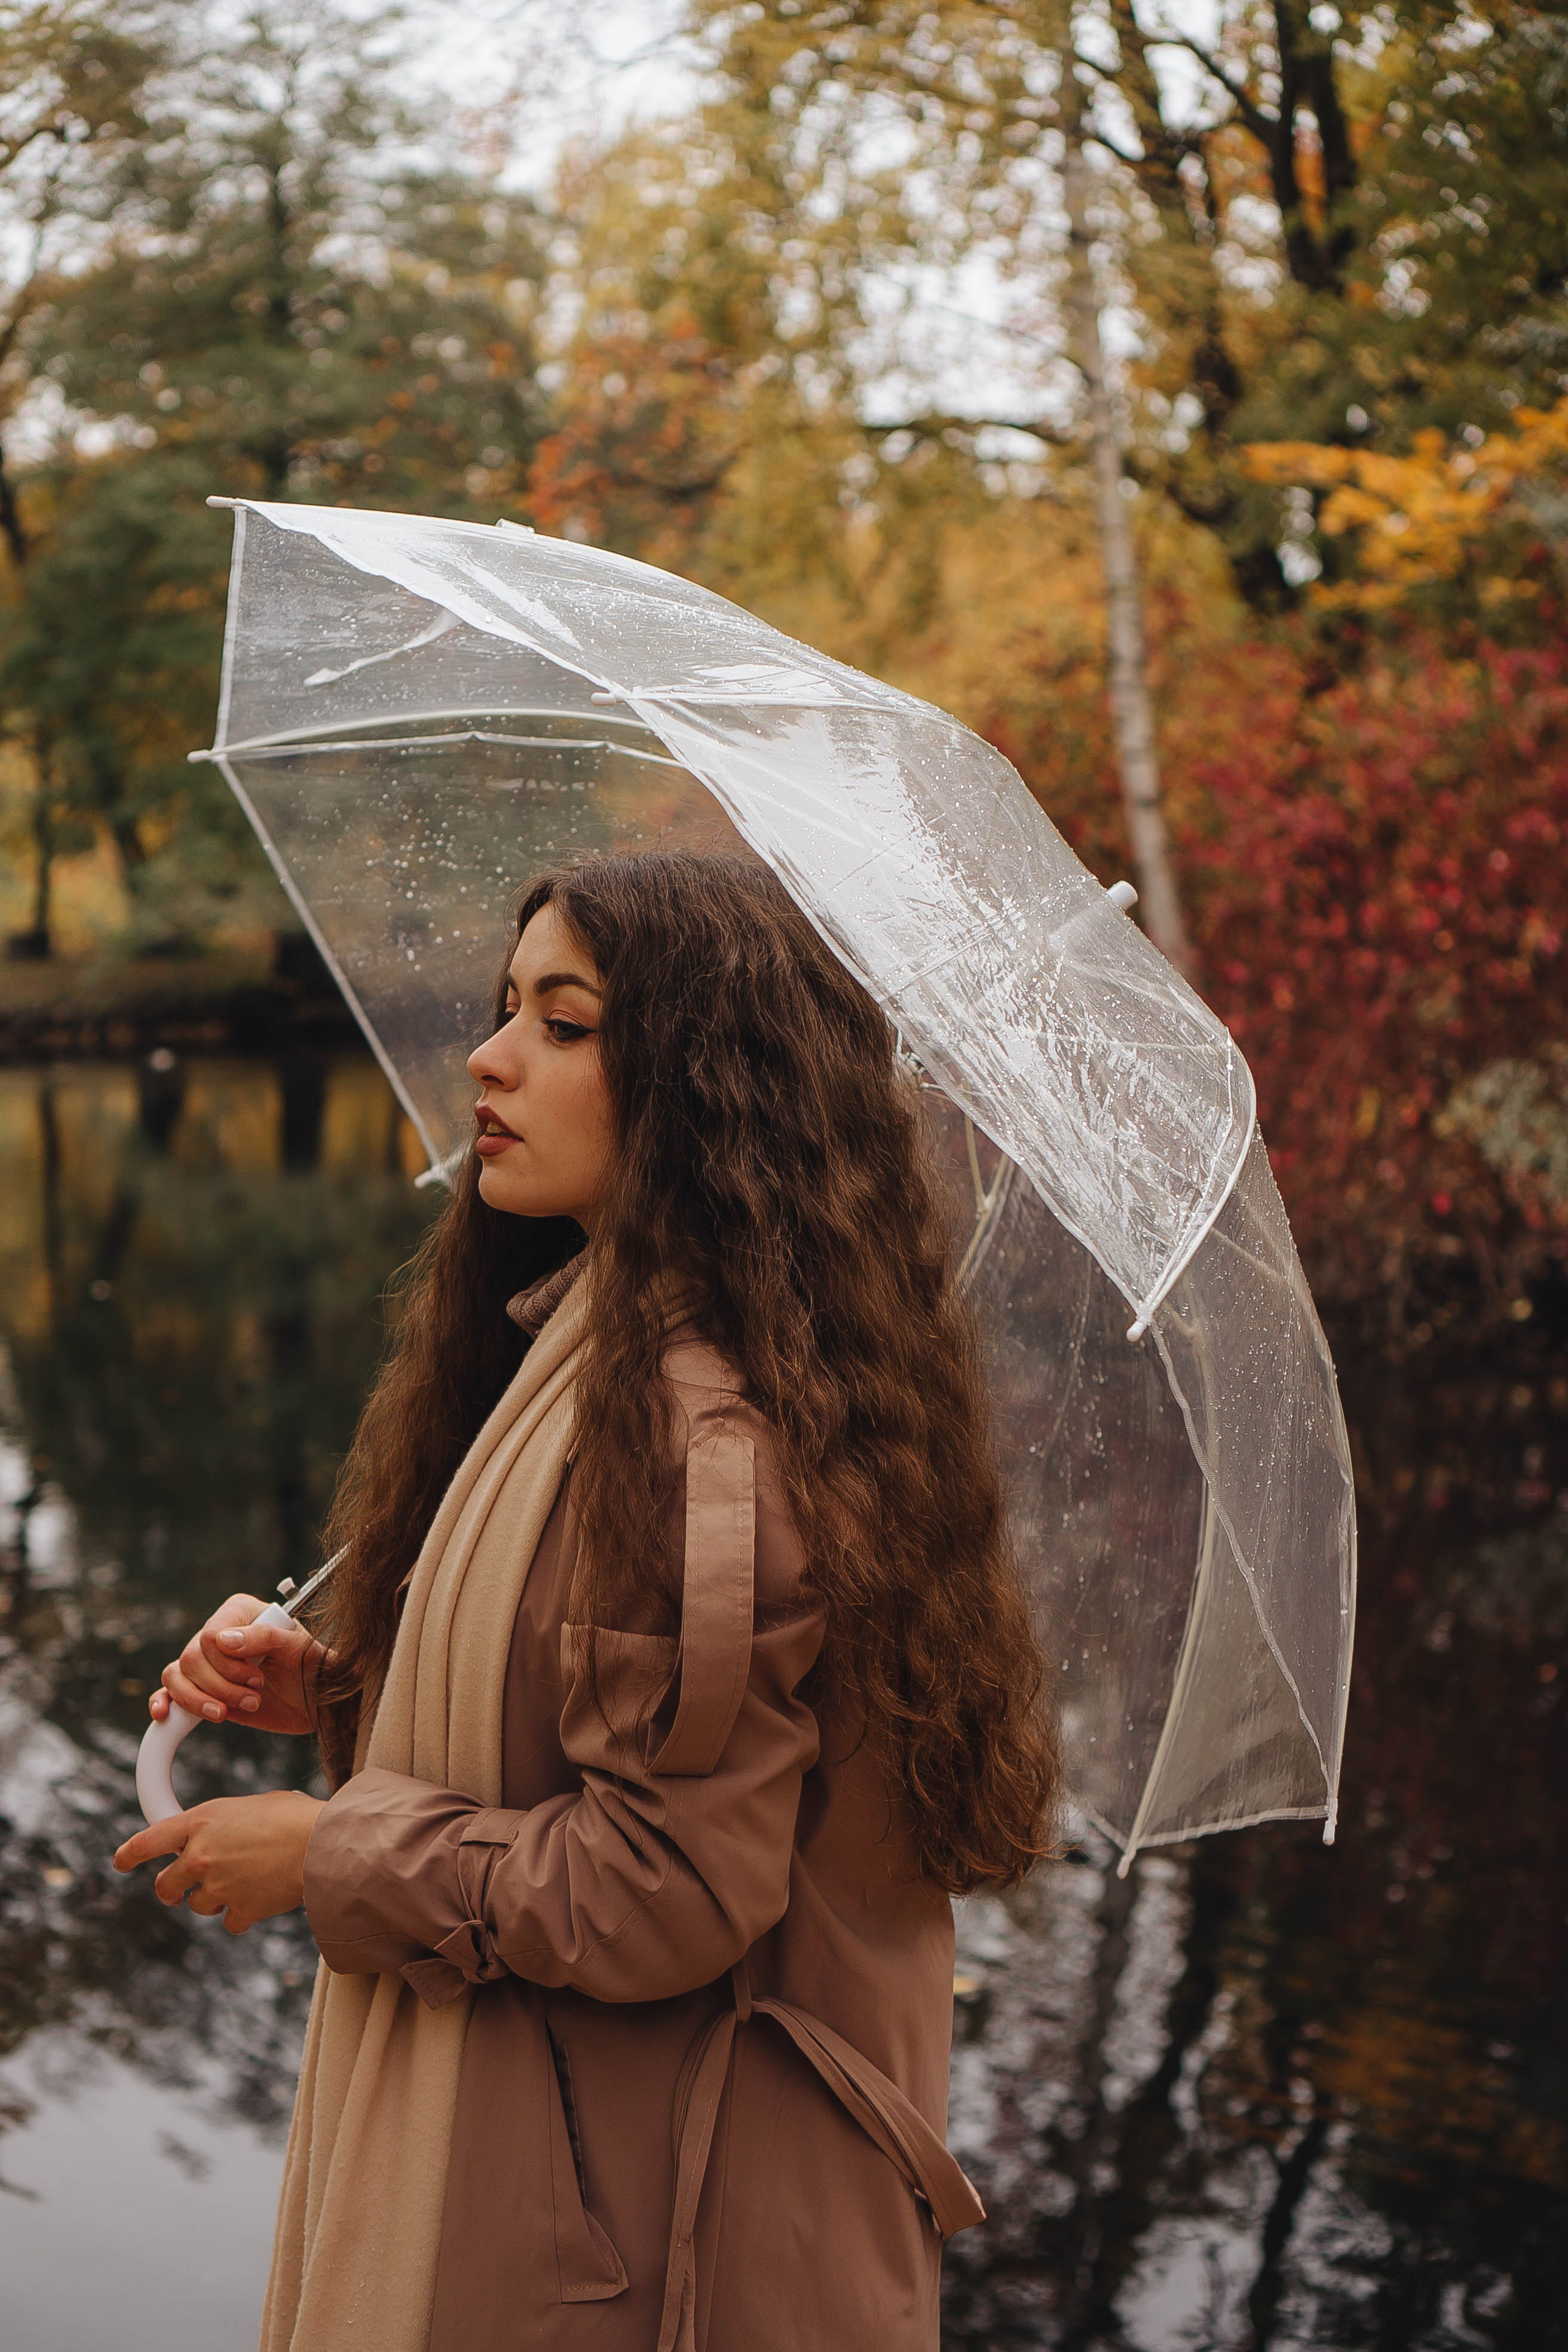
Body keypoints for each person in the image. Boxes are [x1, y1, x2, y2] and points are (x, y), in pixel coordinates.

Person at [115, 851, 1060, 2352]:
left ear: (703, 1091)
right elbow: (586, 1738)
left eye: (566, 1025)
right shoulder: (588, 1358)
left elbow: (667, 1886)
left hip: (657, 2246)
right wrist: (346, 1693)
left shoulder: (701, 1445)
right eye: (506, 1011)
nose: (488, 1057)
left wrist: (327, 1854)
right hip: (585, 2178)